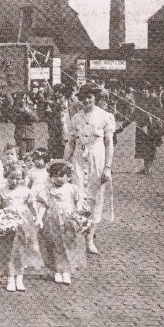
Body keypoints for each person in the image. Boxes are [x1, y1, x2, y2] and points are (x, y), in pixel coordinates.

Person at [63, 83, 115, 255]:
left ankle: (90, 239)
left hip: (97, 159)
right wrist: (64, 164)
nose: (87, 100)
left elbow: (109, 144)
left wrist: (107, 167)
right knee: (78, 196)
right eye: (84, 97)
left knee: (95, 198)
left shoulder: (105, 117)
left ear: (95, 98)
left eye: (90, 97)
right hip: (79, 157)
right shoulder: (75, 118)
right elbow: (70, 143)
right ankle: (76, 236)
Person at [36, 161, 89, 285]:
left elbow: (78, 203)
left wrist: (80, 216)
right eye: (55, 176)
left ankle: (67, 270)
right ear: (51, 177)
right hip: (52, 220)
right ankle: (57, 270)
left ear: (68, 176)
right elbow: (43, 204)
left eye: (62, 175)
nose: (58, 179)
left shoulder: (72, 189)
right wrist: (39, 218)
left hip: (68, 220)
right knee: (54, 244)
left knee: (69, 244)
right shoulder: (47, 190)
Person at [0, 163, 42, 292]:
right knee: (8, 250)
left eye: (19, 178)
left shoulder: (26, 191)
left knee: (20, 250)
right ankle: (10, 277)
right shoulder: (2, 191)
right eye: (12, 178)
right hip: (7, 222)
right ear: (7, 177)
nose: (15, 181)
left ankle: (19, 278)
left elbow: (32, 205)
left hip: (23, 222)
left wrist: (37, 217)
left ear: (23, 178)